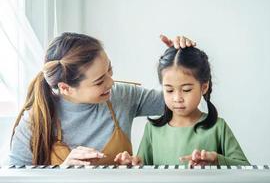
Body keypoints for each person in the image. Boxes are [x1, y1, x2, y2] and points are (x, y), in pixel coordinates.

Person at [8, 32, 195, 166]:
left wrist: (182, 64)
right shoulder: (34, 121)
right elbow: (14, 180)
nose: (111, 82)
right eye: (99, 81)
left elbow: (180, 100)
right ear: (66, 88)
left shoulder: (121, 96)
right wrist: (62, 174)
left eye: (109, 70)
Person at [114, 46, 250, 166]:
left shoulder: (218, 127)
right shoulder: (152, 130)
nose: (177, 98)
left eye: (186, 90)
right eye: (169, 90)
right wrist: (133, 164)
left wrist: (216, 160)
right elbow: (143, 168)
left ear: (204, 87)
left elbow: (245, 168)